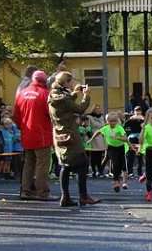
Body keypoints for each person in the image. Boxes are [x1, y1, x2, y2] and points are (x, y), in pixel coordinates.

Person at [47, 72, 100, 207]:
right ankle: (83, 196)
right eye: (70, 82)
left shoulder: (53, 95)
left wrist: (74, 93)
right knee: (82, 162)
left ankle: (65, 196)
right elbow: (80, 109)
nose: (72, 84)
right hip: (70, 133)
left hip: (59, 134)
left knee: (65, 165)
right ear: (65, 82)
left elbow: (65, 104)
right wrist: (86, 96)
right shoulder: (63, 98)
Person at [14, 69, 55, 201]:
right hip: (41, 134)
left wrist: (22, 128)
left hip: (27, 133)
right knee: (42, 164)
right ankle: (42, 192)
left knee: (28, 163)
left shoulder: (22, 94)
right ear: (44, 81)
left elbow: (16, 115)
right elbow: (51, 115)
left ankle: (25, 191)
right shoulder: (45, 94)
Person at [90, 112, 130, 193]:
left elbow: (125, 138)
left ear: (117, 121)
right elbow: (98, 132)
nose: (113, 123)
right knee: (115, 163)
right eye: (110, 121)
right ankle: (116, 182)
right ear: (107, 121)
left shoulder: (119, 128)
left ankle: (124, 182)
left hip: (121, 148)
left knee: (123, 166)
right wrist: (91, 139)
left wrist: (117, 137)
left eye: (114, 121)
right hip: (111, 148)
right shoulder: (106, 128)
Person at [124, 106, 145, 177]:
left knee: (140, 155)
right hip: (132, 137)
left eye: (139, 111)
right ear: (134, 112)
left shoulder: (143, 119)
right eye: (136, 111)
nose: (138, 113)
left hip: (140, 137)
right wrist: (130, 119)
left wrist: (143, 119)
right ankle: (130, 171)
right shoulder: (131, 119)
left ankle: (140, 172)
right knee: (131, 155)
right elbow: (124, 126)